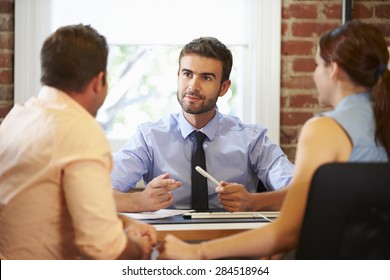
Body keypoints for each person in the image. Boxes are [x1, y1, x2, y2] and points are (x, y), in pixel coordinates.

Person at [157, 20, 390, 259]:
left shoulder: (324, 129)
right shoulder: (383, 120)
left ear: (334, 69)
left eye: (317, 64)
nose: (315, 73)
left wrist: (198, 252)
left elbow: (287, 231)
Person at [0, 24, 156, 260]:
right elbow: (104, 250)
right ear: (98, 81)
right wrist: (138, 248)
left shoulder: (17, 118)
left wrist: (122, 224)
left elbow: (56, 207)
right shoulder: (80, 130)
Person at [112, 37, 294, 212]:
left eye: (206, 78)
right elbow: (95, 195)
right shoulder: (149, 137)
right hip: (169, 239)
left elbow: (300, 193)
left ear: (223, 87)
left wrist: (253, 202)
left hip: (233, 239)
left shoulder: (252, 139)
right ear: (178, 76)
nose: (193, 85)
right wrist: (140, 201)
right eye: (187, 74)